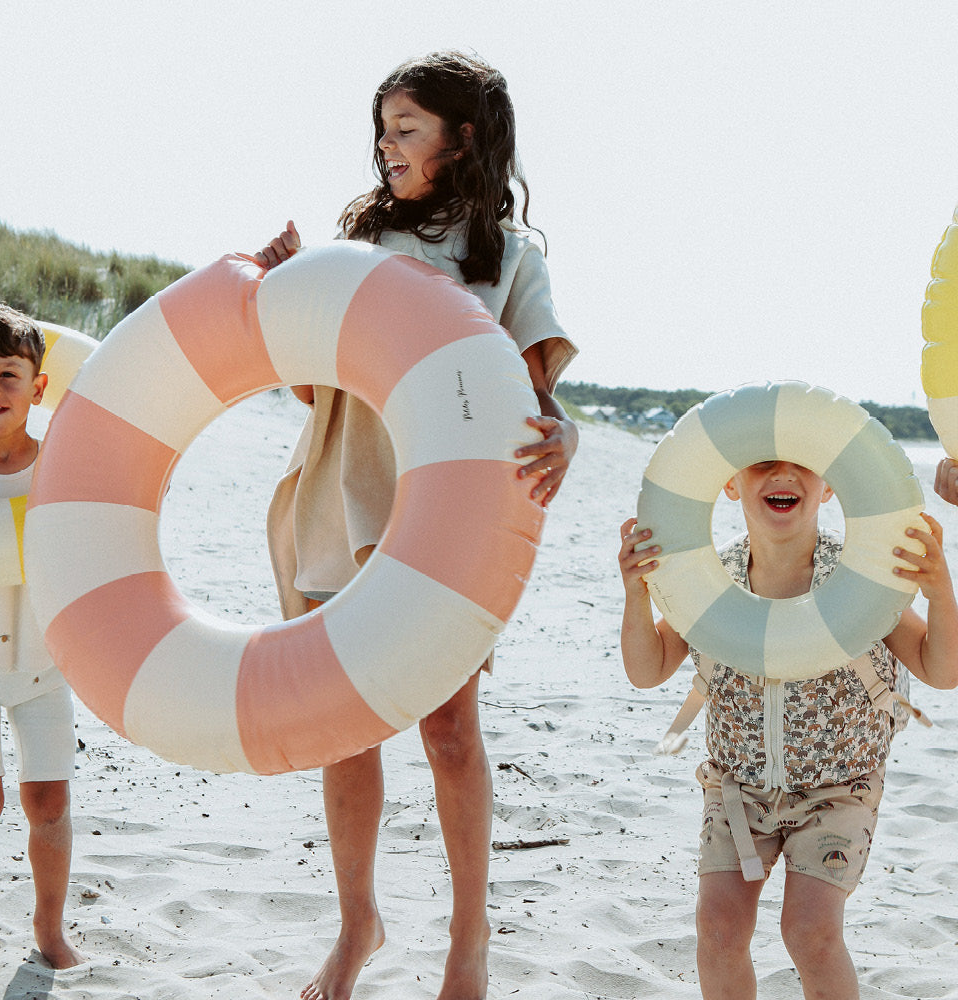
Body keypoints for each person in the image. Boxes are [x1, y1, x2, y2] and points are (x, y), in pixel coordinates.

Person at [254, 51, 578, 1000]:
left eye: (407, 130)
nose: (387, 147)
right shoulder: (360, 243)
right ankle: (358, 926)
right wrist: (282, 292)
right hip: (342, 495)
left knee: (448, 729)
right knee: (346, 727)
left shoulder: (511, 258)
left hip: (447, 521)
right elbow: (316, 385)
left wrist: (567, 439)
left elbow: (539, 402)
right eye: (383, 131)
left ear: (463, 137)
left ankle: (468, 940)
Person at [618, 459, 958, 1000]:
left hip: (838, 788)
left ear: (828, 488)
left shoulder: (858, 576)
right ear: (728, 483)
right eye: (761, 465)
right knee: (720, 930)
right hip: (738, 787)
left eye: (802, 464)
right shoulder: (712, 576)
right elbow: (646, 669)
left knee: (810, 932)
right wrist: (637, 594)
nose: (784, 476)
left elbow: (941, 670)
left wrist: (939, 590)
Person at [0, 304, 84, 979]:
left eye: (8, 373)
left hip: (44, 669)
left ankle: (48, 924)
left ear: (39, 388)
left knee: (49, 803)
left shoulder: (65, 472)